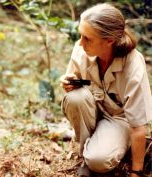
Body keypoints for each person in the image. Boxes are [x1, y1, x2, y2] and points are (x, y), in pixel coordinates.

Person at [60, 3, 152, 177]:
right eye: (80, 35)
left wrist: (136, 172)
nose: (80, 43)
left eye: (87, 38)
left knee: (99, 161)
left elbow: (138, 126)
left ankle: (98, 155)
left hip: (119, 118)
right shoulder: (82, 49)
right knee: (75, 98)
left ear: (109, 40)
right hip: (92, 108)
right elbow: (72, 89)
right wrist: (67, 84)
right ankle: (84, 155)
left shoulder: (133, 65)